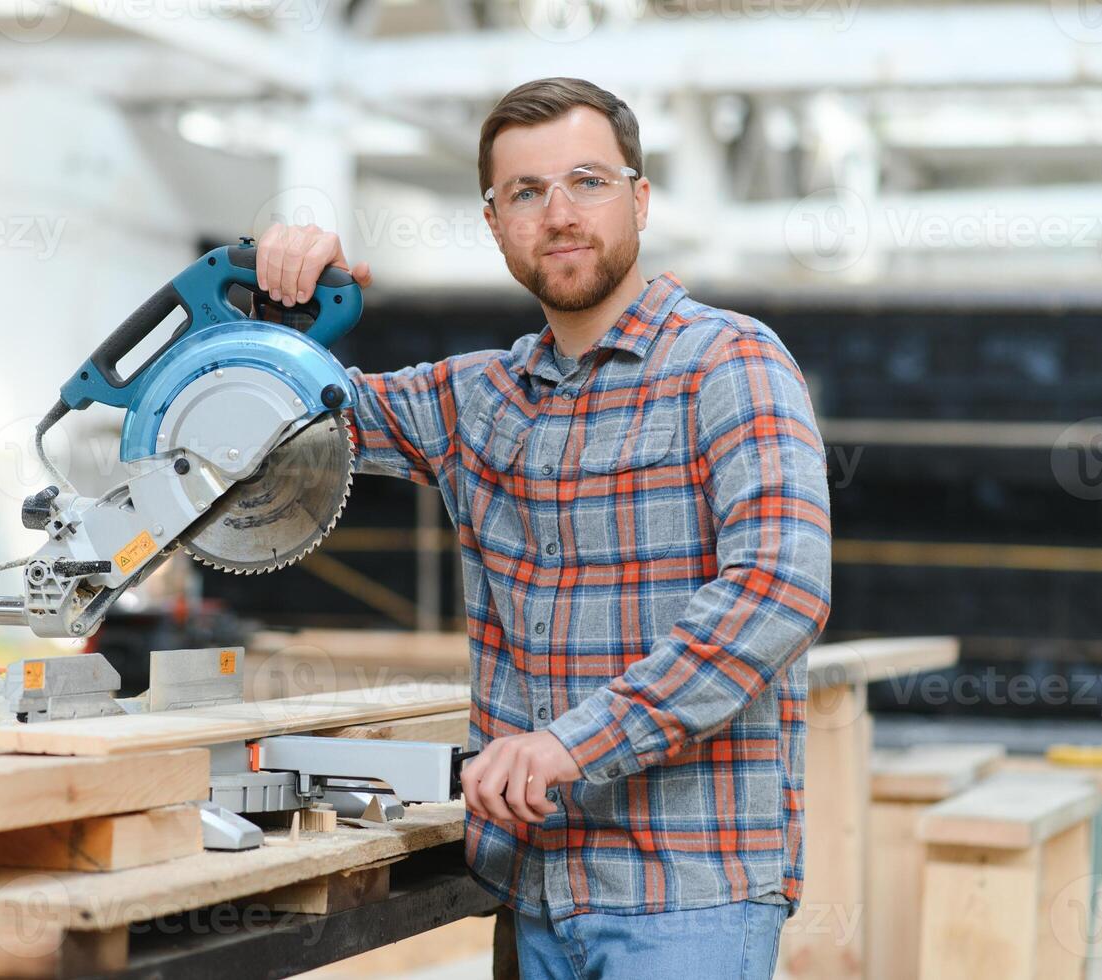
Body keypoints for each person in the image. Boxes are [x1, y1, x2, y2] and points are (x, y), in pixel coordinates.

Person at [253, 77, 832, 979]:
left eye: (588, 182)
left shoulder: (730, 362)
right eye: (526, 192)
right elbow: (281, 418)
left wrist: (571, 743)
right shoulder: (478, 396)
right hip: (527, 891)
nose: (558, 213)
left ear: (639, 198)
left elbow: (777, 589)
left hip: (682, 898)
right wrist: (279, 300)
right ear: (495, 223)